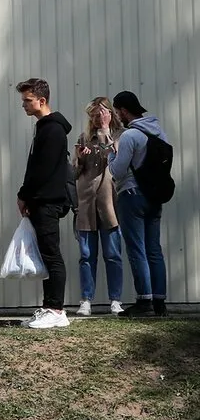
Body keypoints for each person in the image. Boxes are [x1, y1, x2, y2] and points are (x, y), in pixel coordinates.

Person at [15, 79, 74, 329]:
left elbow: (43, 169)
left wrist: (24, 194)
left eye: (28, 101)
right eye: (23, 101)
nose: (24, 105)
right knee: (47, 253)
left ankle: (56, 309)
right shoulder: (44, 127)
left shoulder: (52, 130)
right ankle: (49, 306)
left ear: (42, 100)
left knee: (51, 255)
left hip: (48, 201)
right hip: (41, 200)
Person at [109, 91, 172, 318]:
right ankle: (159, 303)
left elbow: (117, 171)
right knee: (154, 249)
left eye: (118, 112)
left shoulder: (130, 136)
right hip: (154, 196)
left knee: (137, 249)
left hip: (132, 194)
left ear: (124, 111)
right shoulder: (159, 132)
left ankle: (143, 300)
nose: (118, 116)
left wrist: (110, 155)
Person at [73, 97, 124, 316]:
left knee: (112, 254)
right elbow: (74, 173)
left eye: (100, 114)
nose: (96, 119)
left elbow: (114, 157)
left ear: (110, 114)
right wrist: (78, 159)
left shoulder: (120, 136)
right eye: (93, 115)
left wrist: (105, 130)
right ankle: (86, 300)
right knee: (86, 255)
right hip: (86, 203)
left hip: (109, 203)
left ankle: (116, 300)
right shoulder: (84, 138)